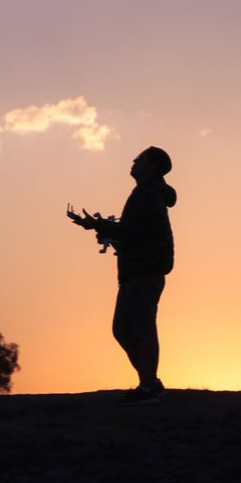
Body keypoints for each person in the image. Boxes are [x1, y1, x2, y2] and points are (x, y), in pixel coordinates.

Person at [67, 146, 176, 406]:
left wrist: (97, 224)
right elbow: (136, 233)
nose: (134, 161)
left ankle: (148, 387)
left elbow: (133, 232)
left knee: (140, 327)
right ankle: (150, 382)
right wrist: (107, 231)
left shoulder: (148, 194)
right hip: (135, 270)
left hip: (144, 270)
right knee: (124, 329)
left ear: (151, 166)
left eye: (140, 158)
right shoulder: (146, 193)